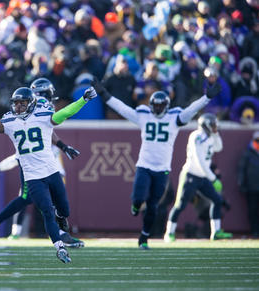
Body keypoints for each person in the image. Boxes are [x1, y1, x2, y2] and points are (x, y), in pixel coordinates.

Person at [0, 84, 97, 263]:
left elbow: (64, 114)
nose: (18, 107)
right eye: (16, 104)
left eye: (22, 104)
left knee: (64, 209)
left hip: (51, 171)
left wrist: (83, 100)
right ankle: (59, 247)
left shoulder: (43, 116)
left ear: (31, 103)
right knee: (47, 211)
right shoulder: (9, 122)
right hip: (32, 176)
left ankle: (58, 221)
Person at [93, 78, 221, 249]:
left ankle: (144, 237)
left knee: (153, 205)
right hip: (144, 165)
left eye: (161, 106)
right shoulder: (143, 115)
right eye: (156, 105)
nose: (158, 109)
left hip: (162, 169)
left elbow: (191, 109)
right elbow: (122, 108)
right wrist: (104, 94)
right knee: (139, 198)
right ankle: (136, 204)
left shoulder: (174, 117)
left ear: (166, 106)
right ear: (151, 105)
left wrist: (207, 98)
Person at [0, 78, 84, 249]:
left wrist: (63, 146)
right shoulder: (37, 105)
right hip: (30, 162)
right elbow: (41, 127)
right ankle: (58, 234)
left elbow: (45, 130)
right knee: (29, 197)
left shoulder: (34, 106)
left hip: (37, 159)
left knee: (28, 198)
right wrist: (63, 146)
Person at [163, 113, 232, 242]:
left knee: (217, 200)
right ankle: (169, 233)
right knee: (180, 205)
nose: (214, 127)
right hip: (191, 175)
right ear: (205, 125)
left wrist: (216, 134)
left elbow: (219, 147)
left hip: (202, 176)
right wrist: (213, 178)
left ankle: (216, 232)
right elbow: (199, 160)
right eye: (212, 125)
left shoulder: (210, 137)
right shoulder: (197, 136)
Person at [237, 131, 259, 238]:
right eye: (257, 140)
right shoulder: (248, 153)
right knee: (253, 210)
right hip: (252, 187)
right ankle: (255, 231)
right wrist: (241, 183)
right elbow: (242, 169)